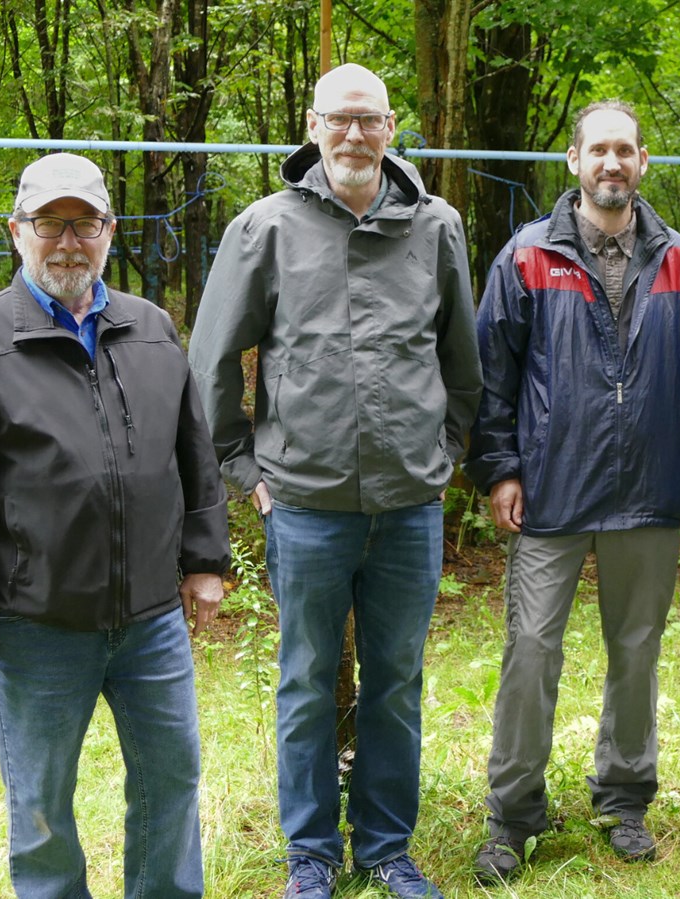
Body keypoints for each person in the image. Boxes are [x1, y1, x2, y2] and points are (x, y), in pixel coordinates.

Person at [187, 63, 481, 899]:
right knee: (308, 679)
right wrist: (245, 469)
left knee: (396, 679)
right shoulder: (265, 229)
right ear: (313, 126)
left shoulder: (437, 227)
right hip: (305, 505)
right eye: (340, 119)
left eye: (372, 120)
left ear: (394, 129)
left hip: (408, 509)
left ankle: (387, 846)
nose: (356, 135)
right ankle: (310, 853)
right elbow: (211, 362)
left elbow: (464, 364)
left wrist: (443, 454)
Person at [0, 152, 230, 898]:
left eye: (84, 223)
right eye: (49, 223)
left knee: (171, 781)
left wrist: (204, 559)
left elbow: (194, 453)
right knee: (42, 804)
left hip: (153, 620)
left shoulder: (150, 329)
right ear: (16, 230)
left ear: (110, 231)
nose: (67, 241)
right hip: (39, 623)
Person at [465, 98, 680, 883]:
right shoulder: (526, 256)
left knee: (635, 652)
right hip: (552, 487)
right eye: (597, 149)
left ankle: (625, 798)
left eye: (625, 150)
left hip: (649, 488)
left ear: (643, 162)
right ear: (573, 161)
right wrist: (499, 468)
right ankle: (514, 810)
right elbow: (489, 375)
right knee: (531, 648)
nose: (611, 162)